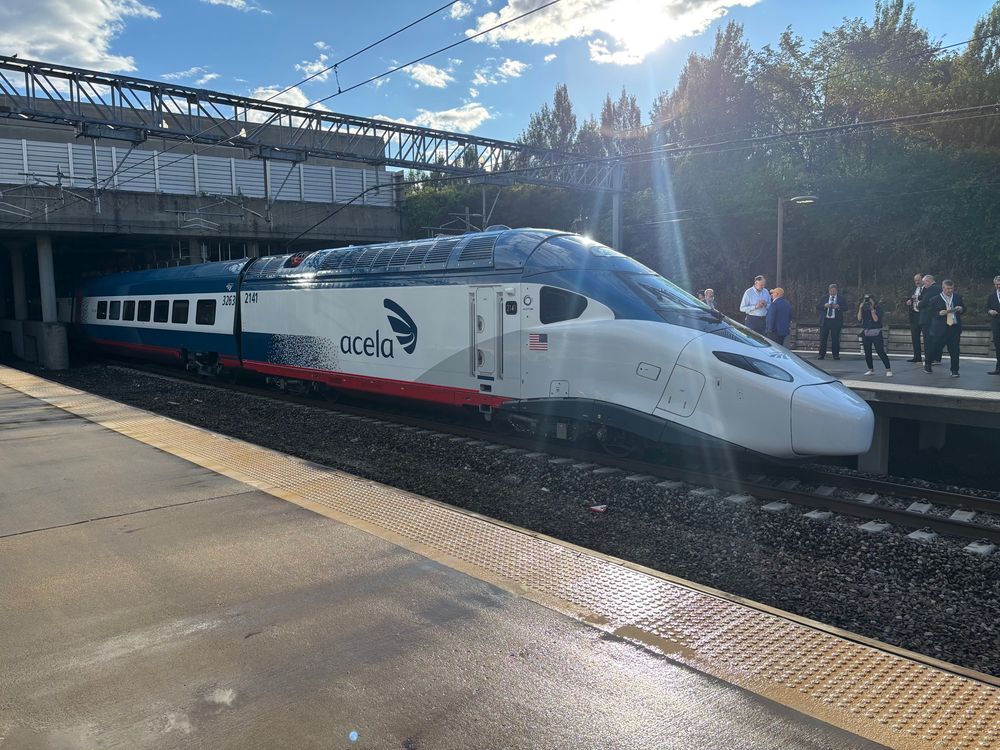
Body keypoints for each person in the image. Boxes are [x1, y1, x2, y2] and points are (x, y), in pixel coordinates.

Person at [924, 279, 964, 377]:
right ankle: (928, 363)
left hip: (953, 328)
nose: (950, 291)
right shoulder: (935, 299)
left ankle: (954, 370)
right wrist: (938, 313)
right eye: (947, 289)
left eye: (951, 288)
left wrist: (961, 309)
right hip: (940, 328)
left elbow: (964, 308)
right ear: (943, 288)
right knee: (934, 348)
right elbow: (930, 312)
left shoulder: (957, 297)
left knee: (955, 350)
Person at [857, 294, 892, 377]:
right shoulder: (864, 308)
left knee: (880, 351)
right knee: (867, 352)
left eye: (870, 300)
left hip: (876, 332)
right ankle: (871, 369)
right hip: (866, 332)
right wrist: (860, 308)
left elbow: (876, 320)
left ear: (874, 301)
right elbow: (859, 318)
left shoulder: (878, 308)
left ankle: (888, 369)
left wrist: (872, 309)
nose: (868, 302)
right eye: (867, 300)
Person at [816, 283, 846, 360]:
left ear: (836, 291)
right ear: (829, 291)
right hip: (825, 321)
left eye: (834, 290)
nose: (832, 292)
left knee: (835, 338)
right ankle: (821, 354)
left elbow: (846, 307)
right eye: (831, 290)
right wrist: (824, 306)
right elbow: (817, 306)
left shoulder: (841, 298)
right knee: (823, 338)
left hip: (835, 321)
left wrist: (839, 307)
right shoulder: (824, 298)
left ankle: (835, 355)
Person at [917, 275, 942, 364]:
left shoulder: (932, 289)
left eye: (924, 283)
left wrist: (918, 304)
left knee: (928, 339)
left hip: (927, 317)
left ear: (928, 281)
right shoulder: (940, 288)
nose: (924, 286)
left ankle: (929, 359)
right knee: (936, 339)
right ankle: (937, 358)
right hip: (937, 317)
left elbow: (924, 301)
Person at [904, 272, 924, 362]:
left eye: (918, 280)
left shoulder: (927, 289)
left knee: (927, 337)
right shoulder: (912, 289)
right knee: (915, 337)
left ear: (923, 280)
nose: (917, 282)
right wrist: (909, 301)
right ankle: (917, 357)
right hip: (914, 315)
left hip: (924, 315)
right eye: (915, 280)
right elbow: (908, 300)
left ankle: (930, 357)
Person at [986, 274, 1000, 374]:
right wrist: (990, 311)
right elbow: (986, 308)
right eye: (996, 284)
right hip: (996, 325)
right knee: (998, 347)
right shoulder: (991, 296)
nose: (998, 286)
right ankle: (998, 368)